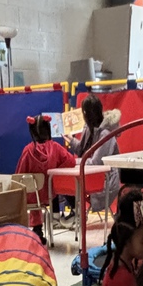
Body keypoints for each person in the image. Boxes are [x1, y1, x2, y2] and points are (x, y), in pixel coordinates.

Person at [14, 114, 76, 244]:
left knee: (33, 194)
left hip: (34, 197)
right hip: (52, 193)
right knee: (57, 185)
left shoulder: (28, 150)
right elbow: (71, 161)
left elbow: (19, 175)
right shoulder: (55, 147)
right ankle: (68, 214)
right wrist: (55, 170)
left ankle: (37, 229)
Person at [69, 94, 121, 215]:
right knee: (64, 182)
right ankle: (75, 212)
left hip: (105, 179)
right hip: (91, 174)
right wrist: (71, 140)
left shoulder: (106, 134)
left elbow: (95, 163)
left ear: (86, 114)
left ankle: (76, 213)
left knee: (71, 182)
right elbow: (83, 152)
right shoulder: (88, 128)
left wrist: (72, 162)